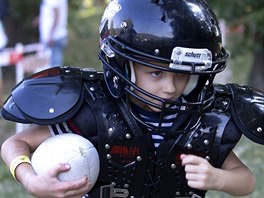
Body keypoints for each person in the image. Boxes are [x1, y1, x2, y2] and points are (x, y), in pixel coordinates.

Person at [1, 0, 263, 197]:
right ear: (124, 65)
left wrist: (218, 179)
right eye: (156, 72)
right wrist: (30, 179)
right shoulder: (93, 110)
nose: (170, 88)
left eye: (182, 75)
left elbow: (246, 181)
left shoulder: (201, 120)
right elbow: (15, 143)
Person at [39, 0, 68, 67]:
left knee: (54, 68)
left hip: (53, 38)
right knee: (55, 66)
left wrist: (51, 35)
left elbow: (56, 15)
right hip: (59, 35)